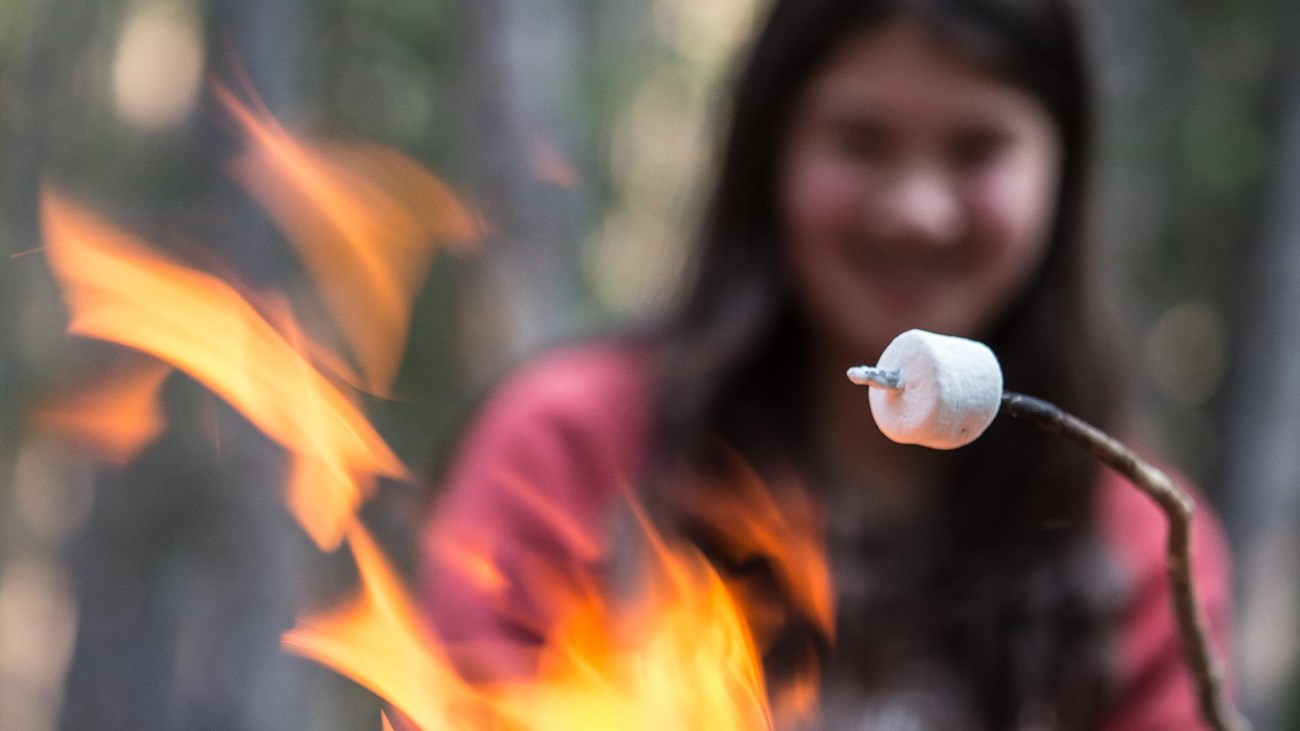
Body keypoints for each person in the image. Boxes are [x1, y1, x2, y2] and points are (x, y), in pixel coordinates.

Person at [419, 0, 1235, 728]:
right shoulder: (575, 450)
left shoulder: (1137, 543)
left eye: (977, 149)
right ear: (770, 151)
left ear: (1062, 166)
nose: (916, 210)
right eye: (860, 142)